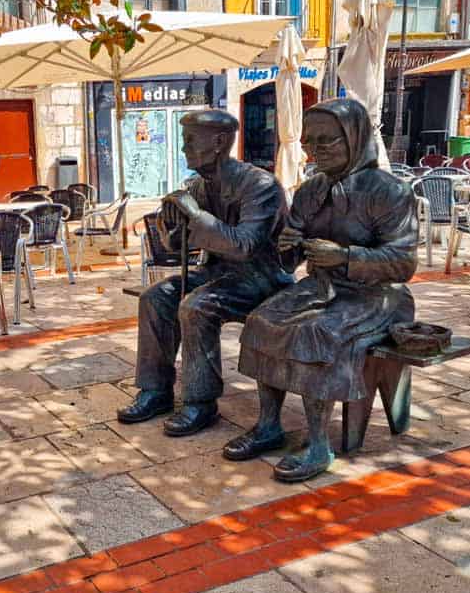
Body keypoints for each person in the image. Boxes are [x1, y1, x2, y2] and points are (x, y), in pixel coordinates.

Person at [226, 99, 418, 482]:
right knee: (262, 320)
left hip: (377, 296)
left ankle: (318, 443)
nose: (316, 150)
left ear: (355, 137)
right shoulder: (311, 190)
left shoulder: (391, 191)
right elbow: (289, 259)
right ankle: (268, 425)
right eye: (309, 142)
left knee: (315, 331)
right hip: (320, 287)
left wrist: (345, 256)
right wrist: (288, 246)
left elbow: (403, 262)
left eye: (326, 140)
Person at [116, 109, 292, 436]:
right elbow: (178, 246)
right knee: (155, 297)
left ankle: (201, 402)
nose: (184, 148)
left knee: (197, 306)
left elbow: (244, 246)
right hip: (218, 275)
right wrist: (170, 226)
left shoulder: (260, 186)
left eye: (190, 140)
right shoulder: (199, 186)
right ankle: (155, 389)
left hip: (261, 280)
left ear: (219, 142)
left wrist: (195, 215)